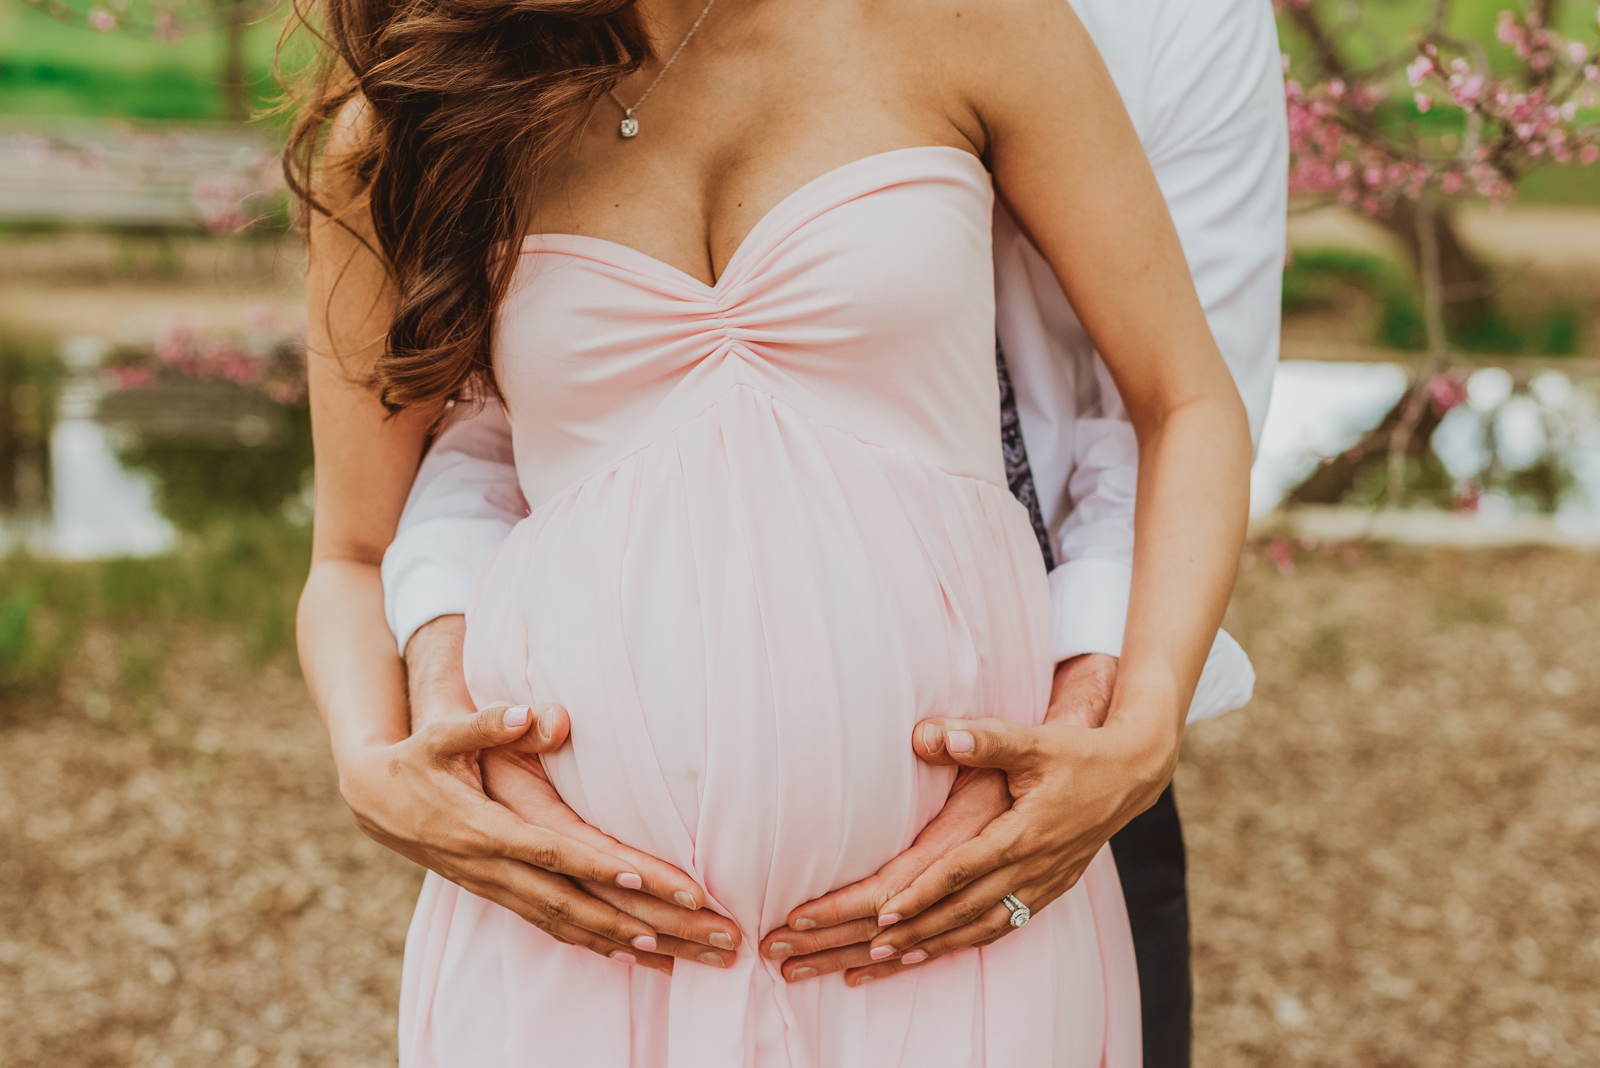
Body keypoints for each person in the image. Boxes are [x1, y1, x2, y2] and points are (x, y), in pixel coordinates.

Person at [292, 0, 1272, 1064]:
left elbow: (1186, 402)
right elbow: (350, 552)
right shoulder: (417, 114)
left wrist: (1141, 721)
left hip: (947, 907)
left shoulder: (974, 25)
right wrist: (368, 760)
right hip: (575, 923)